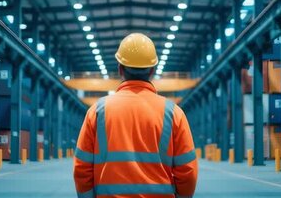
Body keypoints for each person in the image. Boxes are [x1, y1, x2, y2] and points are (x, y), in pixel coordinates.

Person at [73, 33, 198, 198]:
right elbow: (188, 171)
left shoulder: (97, 111)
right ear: (152, 71)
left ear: (120, 69)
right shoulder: (174, 113)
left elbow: (82, 169)